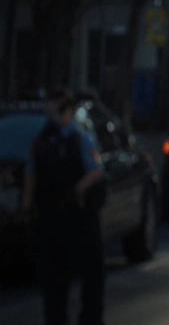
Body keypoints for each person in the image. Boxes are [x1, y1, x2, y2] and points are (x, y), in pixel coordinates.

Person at [21, 88, 107, 325]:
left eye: (58, 109)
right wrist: (27, 204)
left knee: (91, 274)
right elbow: (31, 173)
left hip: (79, 216)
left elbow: (97, 170)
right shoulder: (41, 141)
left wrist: (79, 188)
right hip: (51, 218)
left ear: (69, 111)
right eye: (50, 109)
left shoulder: (80, 137)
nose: (53, 114)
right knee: (53, 278)